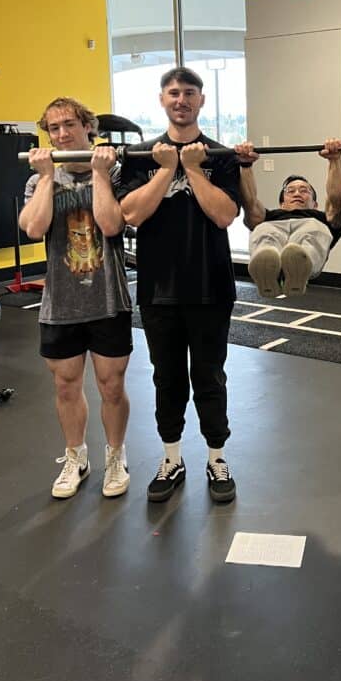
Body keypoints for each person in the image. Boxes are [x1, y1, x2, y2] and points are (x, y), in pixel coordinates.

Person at [118, 66, 241, 504]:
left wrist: (196, 170)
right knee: (167, 378)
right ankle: (172, 458)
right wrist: (165, 171)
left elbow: (225, 215)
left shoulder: (221, 154)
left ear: (201, 101)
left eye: (189, 93)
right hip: (158, 290)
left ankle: (216, 457)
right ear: (162, 100)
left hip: (210, 286)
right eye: (173, 93)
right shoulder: (138, 155)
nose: (181, 100)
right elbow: (131, 215)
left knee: (209, 376)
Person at [20, 97, 132, 500]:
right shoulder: (40, 180)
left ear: (89, 128)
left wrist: (100, 174)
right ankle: (76, 457)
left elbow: (110, 224)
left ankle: (116, 456)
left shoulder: (115, 173)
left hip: (108, 299)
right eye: (53, 128)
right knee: (67, 386)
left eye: (69, 124)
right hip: (61, 302)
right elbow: (33, 228)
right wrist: (47, 177)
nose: (62, 133)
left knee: (111, 385)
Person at [234, 138, 341, 296]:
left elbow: (336, 202)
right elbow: (250, 204)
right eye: (290, 191)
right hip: (275, 227)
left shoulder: (322, 218)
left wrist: (334, 160)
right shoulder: (270, 216)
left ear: (315, 204)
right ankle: (266, 267)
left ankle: (300, 265)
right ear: (281, 203)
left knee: (313, 233)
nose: (297, 193)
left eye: (304, 190)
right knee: (264, 232)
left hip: (309, 226)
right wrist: (245, 165)